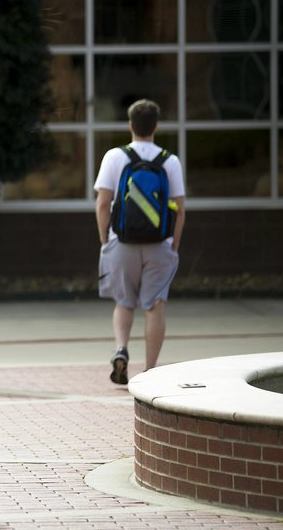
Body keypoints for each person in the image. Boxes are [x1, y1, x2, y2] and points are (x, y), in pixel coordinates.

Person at [94, 99, 186, 384]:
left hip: (121, 242)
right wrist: (174, 244)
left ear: (130, 125)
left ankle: (121, 349)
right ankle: (151, 370)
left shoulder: (114, 157)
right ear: (155, 126)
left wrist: (105, 240)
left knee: (124, 301)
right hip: (159, 243)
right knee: (155, 305)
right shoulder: (169, 161)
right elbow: (179, 208)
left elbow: (102, 203)